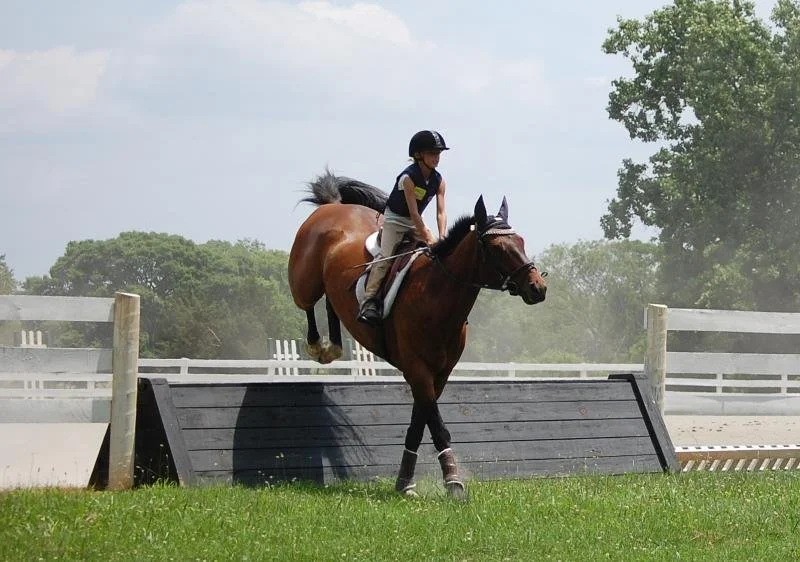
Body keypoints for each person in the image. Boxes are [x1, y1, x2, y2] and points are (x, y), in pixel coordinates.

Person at [357, 130, 449, 326]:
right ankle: (369, 300)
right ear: (418, 155)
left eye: (438, 154)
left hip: (416, 221)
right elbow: (413, 213)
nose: (437, 158)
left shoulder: (439, 181)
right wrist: (426, 235)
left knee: (437, 254)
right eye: (432, 153)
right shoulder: (408, 178)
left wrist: (442, 237)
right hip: (395, 220)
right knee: (385, 257)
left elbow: (441, 212)